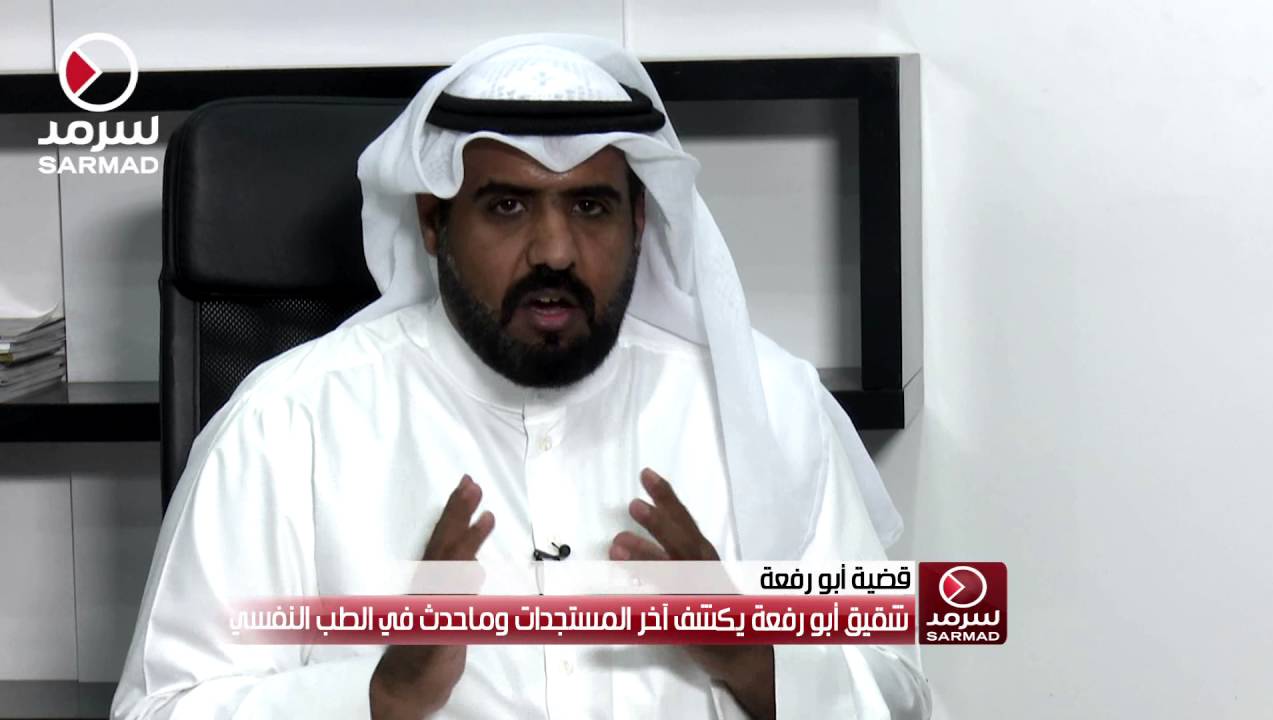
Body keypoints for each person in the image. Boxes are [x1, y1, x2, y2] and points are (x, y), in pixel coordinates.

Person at [112, 34, 930, 720]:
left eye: (591, 207)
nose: (555, 251)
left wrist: (752, 657)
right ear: (433, 220)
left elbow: (898, 690)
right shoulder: (289, 425)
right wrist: (379, 695)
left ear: (640, 218)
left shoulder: (766, 408)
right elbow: (163, 707)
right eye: (507, 206)